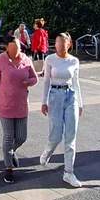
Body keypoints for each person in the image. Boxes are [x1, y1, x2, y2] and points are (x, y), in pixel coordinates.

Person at [0, 38, 39, 184]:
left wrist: (29, 82)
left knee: (21, 137)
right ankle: (9, 169)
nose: (16, 51)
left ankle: (10, 152)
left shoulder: (26, 60)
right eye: (13, 48)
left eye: (18, 48)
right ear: (7, 48)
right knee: (8, 137)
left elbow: (35, 78)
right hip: (5, 105)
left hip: (21, 105)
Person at [39, 32, 84, 187]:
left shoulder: (74, 61)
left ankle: (69, 172)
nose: (59, 45)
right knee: (56, 134)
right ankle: (48, 151)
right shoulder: (50, 59)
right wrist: (43, 101)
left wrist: (80, 103)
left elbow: (76, 82)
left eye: (63, 43)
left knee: (71, 137)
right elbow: (45, 82)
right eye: (57, 42)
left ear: (69, 44)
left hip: (71, 96)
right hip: (54, 96)